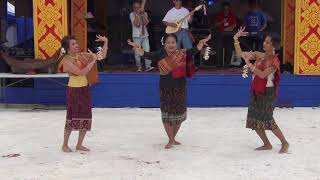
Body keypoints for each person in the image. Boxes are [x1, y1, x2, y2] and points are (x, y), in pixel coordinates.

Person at [128, 33, 211, 149]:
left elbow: (193, 51)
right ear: (164, 44)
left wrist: (201, 43)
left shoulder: (182, 53)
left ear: (176, 43)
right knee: (167, 116)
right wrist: (137, 48)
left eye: (173, 42)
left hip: (180, 88)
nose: (171, 45)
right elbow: (146, 54)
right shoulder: (159, 54)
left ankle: (173, 137)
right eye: (168, 42)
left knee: (180, 116)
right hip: (165, 89)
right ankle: (171, 139)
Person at [233, 27, 289, 154]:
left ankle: (285, 143)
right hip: (256, 90)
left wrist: (250, 66)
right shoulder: (259, 55)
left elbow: (263, 75)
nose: (265, 43)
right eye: (265, 41)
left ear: (274, 45)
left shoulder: (275, 61)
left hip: (267, 93)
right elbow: (239, 54)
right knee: (254, 119)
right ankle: (267, 144)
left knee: (267, 119)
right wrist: (236, 38)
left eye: (268, 42)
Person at [60, 35, 108, 152]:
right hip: (74, 90)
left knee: (85, 116)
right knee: (71, 118)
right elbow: (81, 72)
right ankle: (65, 145)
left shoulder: (81, 55)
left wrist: (105, 42)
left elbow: (101, 56)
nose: (76, 46)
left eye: (76, 43)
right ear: (67, 48)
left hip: (85, 89)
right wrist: (92, 61)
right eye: (73, 44)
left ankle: (79, 144)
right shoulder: (65, 61)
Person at [130, 1, 154, 72]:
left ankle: (148, 66)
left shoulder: (145, 13)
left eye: (138, 7)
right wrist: (138, 15)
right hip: (136, 36)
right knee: (137, 53)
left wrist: (142, 14)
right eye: (135, 7)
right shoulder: (132, 14)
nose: (137, 9)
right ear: (133, 8)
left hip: (145, 35)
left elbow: (146, 23)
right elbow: (136, 24)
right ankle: (139, 67)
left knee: (147, 50)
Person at [213, 2, 237, 67]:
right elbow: (215, 25)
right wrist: (222, 22)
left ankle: (227, 64)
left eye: (227, 9)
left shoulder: (232, 15)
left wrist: (226, 29)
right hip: (220, 34)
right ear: (222, 9)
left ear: (229, 9)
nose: (226, 11)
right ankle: (218, 64)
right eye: (225, 9)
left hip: (228, 35)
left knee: (229, 48)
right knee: (218, 47)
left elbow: (234, 25)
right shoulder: (219, 15)